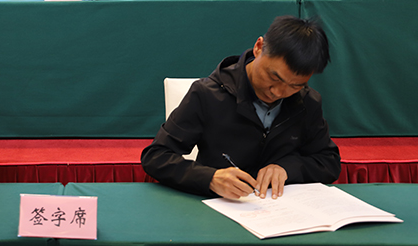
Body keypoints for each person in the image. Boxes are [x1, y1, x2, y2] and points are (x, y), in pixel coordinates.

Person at [141, 15, 340, 200]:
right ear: (259, 47)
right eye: (274, 77)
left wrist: (287, 168)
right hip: (219, 207)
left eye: (295, 85)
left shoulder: (307, 102)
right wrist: (210, 178)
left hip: (280, 209)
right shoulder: (207, 95)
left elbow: (328, 161)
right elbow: (156, 156)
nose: (278, 92)